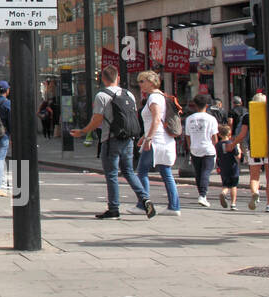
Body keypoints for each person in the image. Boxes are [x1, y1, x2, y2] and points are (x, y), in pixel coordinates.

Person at [70, 66, 154, 220]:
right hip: (128, 139)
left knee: (112, 174)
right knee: (128, 171)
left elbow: (97, 120)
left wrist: (82, 132)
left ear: (103, 79)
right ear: (118, 78)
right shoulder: (129, 94)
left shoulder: (102, 95)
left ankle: (114, 209)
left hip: (111, 140)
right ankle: (145, 198)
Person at [136, 70, 181, 216]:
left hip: (156, 142)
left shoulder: (154, 98)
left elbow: (156, 119)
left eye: (142, 81)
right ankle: (174, 207)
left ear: (150, 82)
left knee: (142, 172)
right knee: (166, 173)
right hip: (164, 141)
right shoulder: (160, 96)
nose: (140, 84)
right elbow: (156, 122)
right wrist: (144, 136)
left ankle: (143, 204)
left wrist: (148, 139)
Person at [183, 94, 219, 207]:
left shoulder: (189, 119)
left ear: (195, 105)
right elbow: (214, 137)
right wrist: (216, 148)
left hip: (195, 148)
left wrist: (190, 147)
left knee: (198, 173)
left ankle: (202, 194)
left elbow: (187, 136)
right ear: (207, 105)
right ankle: (203, 195)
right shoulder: (211, 119)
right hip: (208, 148)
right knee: (206, 172)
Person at [216, 123, 242, 209]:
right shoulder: (232, 144)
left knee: (226, 184)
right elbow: (237, 156)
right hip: (233, 166)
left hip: (223, 166)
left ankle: (223, 193)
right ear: (229, 134)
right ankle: (233, 204)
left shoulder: (218, 145)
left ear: (219, 134)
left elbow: (217, 156)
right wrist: (239, 148)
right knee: (234, 185)